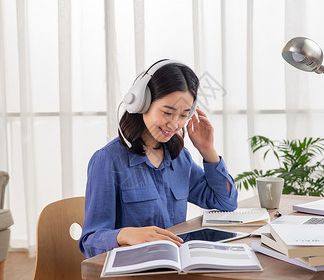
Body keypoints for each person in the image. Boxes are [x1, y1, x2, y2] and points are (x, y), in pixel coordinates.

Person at [79, 59, 238, 258]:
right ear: (142, 103)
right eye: (167, 112)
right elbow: (90, 242)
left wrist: (207, 150)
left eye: (183, 116)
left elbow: (225, 202)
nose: (174, 124)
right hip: (135, 270)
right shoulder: (108, 160)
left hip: (176, 266)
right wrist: (125, 234)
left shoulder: (180, 158)